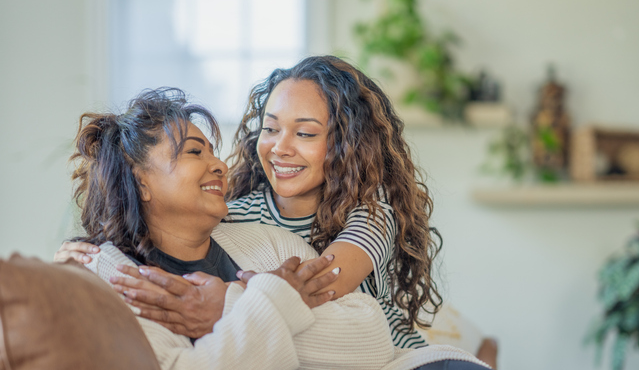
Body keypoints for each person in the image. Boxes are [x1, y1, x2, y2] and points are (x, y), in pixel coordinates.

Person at [61, 87, 610, 370]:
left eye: (306, 132)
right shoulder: (138, 277)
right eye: (193, 152)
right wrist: (274, 298)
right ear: (140, 181)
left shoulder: (275, 232)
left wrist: (232, 304)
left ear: (340, 146)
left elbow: (367, 338)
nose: (221, 165)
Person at [58, 56, 439, 350]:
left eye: (304, 132)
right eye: (270, 129)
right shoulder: (238, 215)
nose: (280, 147)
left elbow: (319, 285)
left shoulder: (371, 215)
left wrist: (226, 300)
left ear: (351, 145)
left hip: (390, 359)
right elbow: (165, 234)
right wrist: (93, 252)